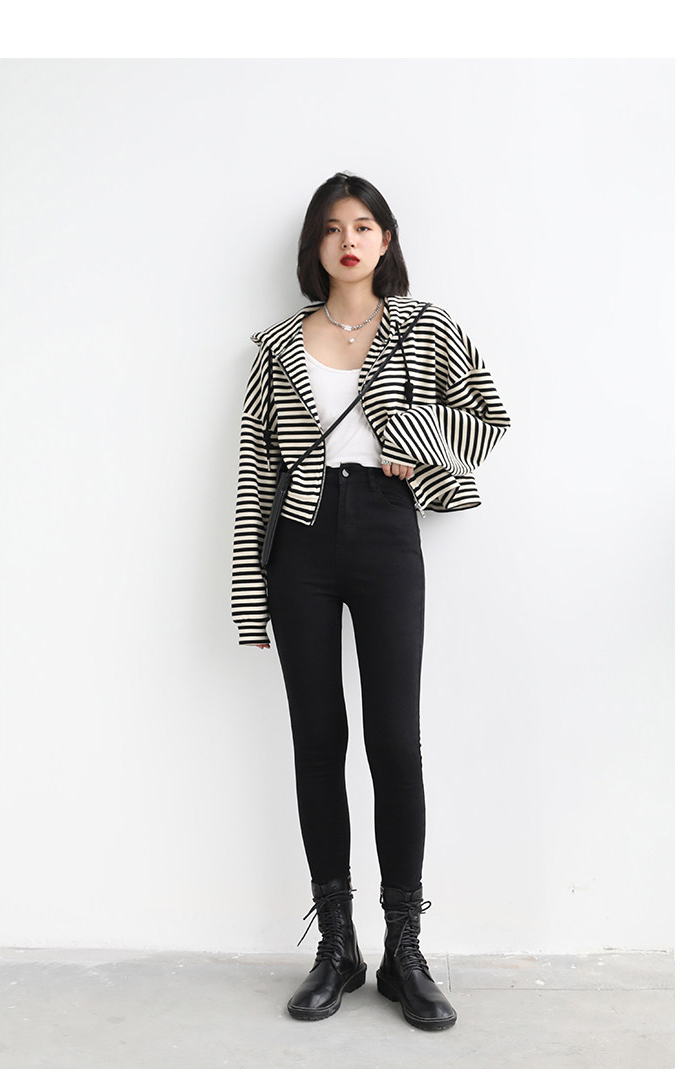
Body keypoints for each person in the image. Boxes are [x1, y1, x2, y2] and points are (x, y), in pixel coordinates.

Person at [231, 172, 510, 1031]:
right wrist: (248, 594)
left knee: (395, 741)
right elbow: (256, 471)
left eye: (363, 226)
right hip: (301, 544)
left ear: (385, 239)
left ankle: (405, 953)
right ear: (314, 247)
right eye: (331, 229)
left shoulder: (425, 327)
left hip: (388, 531)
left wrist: (413, 440)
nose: (347, 241)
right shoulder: (276, 347)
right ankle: (337, 948)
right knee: (319, 742)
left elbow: (490, 419)